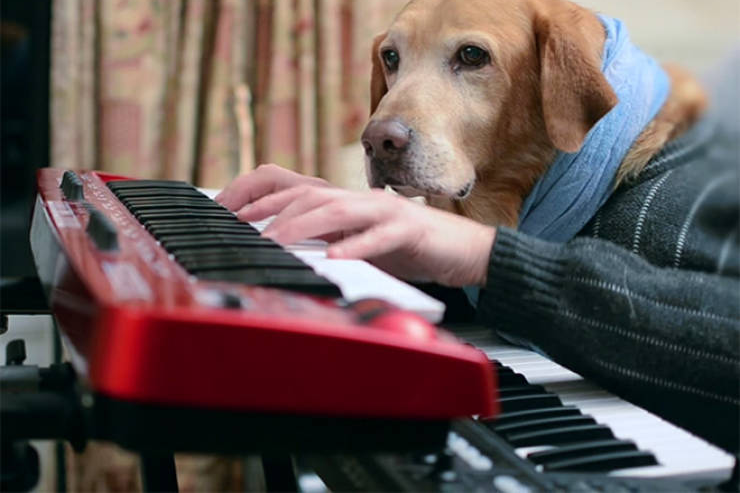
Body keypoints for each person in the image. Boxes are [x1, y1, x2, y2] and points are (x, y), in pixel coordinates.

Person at [216, 54, 740, 454]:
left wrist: (490, 258)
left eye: (470, 56)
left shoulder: (685, 185)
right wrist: (359, 248)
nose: (380, 125)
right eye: (392, 61)